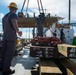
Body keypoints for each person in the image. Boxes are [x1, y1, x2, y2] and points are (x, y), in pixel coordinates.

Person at [0, 2, 22, 75]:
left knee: (4, 52)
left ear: (9, 8)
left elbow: (3, 28)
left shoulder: (4, 17)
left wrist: (5, 34)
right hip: (11, 36)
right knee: (10, 52)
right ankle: (6, 70)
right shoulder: (13, 15)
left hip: (5, 36)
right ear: (15, 9)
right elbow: (14, 22)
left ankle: (1, 67)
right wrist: (18, 31)